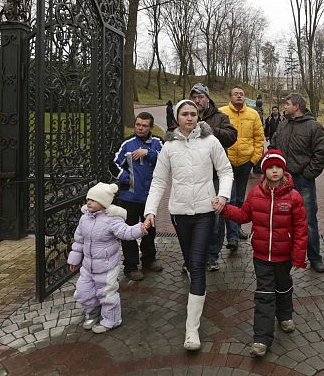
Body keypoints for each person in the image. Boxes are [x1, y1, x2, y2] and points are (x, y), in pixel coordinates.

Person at [143, 100, 234, 351]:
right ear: (177, 117)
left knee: (197, 263)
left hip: (206, 210)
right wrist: (150, 211)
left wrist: (223, 195)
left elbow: (226, 171)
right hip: (179, 213)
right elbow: (159, 181)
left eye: (194, 114)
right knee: (190, 261)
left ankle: (191, 329)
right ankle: (195, 300)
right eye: (185, 114)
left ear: (198, 117)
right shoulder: (168, 146)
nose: (190, 118)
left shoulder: (211, 141)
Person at [217, 149, 307, 358]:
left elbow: (301, 228)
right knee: (264, 294)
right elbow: (242, 215)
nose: (275, 171)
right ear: (264, 171)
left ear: (283, 170)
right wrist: (224, 209)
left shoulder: (294, 197)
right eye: (270, 167)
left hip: (284, 255)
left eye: (278, 167)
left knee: (283, 287)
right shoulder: (255, 194)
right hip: (261, 256)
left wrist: (299, 254)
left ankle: (285, 315)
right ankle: (261, 339)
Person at [68, 182, 147, 333]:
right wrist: (74, 258)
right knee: (83, 291)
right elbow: (79, 240)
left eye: (93, 200)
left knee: (107, 294)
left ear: (103, 202)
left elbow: (126, 232)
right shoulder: (84, 219)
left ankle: (112, 319)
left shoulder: (112, 220)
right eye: (88, 199)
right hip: (88, 266)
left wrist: (140, 229)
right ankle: (93, 311)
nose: (89, 202)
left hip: (107, 266)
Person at [268, 93, 324, 273]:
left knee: (308, 221)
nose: (284, 107)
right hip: (282, 180)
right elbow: (273, 145)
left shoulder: (314, 127)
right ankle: (282, 257)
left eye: (287, 104)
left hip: (303, 181)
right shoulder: (283, 124)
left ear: (297, 106)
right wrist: (274, 166)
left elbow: (321, 155)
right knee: (280, 219)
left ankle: (315, 257)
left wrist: (307, 175)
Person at [187, 82, 238, 272]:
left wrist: (211, 130)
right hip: (193, 175)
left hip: (215, 174)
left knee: (216, 218)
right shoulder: (186, 115)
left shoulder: (220, 117)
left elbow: (232, 136)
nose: (197, 100)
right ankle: (193, 256)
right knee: (193, 217)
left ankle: (211, 256)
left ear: (207, 98)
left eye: (200, 97)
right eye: (194, 97)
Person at [111, 112, 164, 281]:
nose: (140, 128)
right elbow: (113, 164)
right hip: (130, 197)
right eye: (138, 125)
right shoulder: (127, 143)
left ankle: (149, 259)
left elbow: (165, 159)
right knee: (128, 232)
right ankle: (131, 266)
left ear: (150, 127)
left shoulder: (157, 142)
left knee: (150, 230)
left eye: (144, 125)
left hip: (150, 197)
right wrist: (126, 178)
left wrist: (147, 152)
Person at [220, 85, 264, 251]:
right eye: (236, 94)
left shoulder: (253, 114)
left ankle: (237, 228)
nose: (239, 96)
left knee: (240, 199)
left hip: (245, 162)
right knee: (229, 198)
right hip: (226, 162)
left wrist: (254, 160)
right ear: (230, 96)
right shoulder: (222, 112)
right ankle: (231, 236)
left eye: (242, 94)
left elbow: (259, 138)